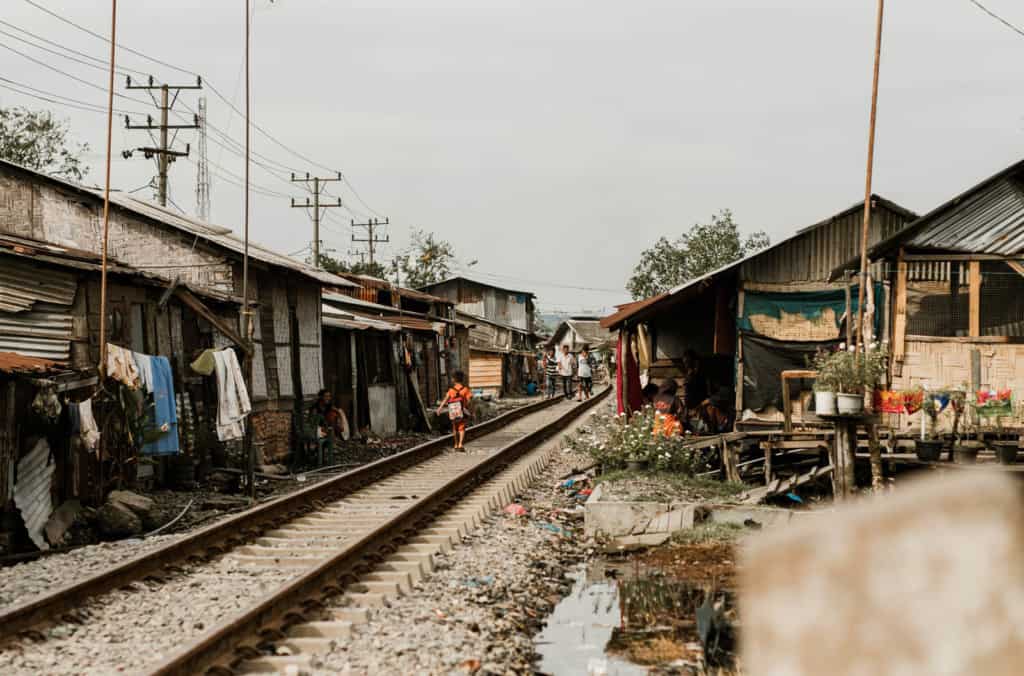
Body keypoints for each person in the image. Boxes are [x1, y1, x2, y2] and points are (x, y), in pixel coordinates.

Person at [310, 389, 350, 463]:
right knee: (326, 435)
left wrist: (340, 422)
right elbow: (312, 422)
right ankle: (318, 452)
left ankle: (324, 451)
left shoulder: (329, 406)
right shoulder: (316, 408)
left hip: (326, 427)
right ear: (321, 397)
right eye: (326, 396)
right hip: (317, 428)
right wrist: (321, 428)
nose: (328, 398)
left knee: (333, 417)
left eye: (329, 396)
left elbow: (338, 411)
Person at [437, 370, 473, 450]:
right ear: (462, 379)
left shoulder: (451, 390)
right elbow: (469, 401)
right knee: (462, 427)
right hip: (461, 411)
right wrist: (467, 408)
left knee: (454, 428)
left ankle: (456, 444)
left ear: (453, 379)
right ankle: (460, 444)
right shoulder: (465, 389)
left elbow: (445, 400)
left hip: (453, 411)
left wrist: (439, 409)